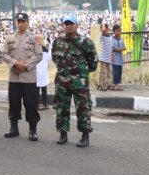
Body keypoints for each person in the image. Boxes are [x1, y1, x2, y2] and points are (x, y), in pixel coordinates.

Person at [52, 14, 98, 148]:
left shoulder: (85, 42)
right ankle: (63, 133)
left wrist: (80, 73)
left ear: (77, 25)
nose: (69, 26)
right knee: (62, 108)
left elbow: (93, 62)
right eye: (66, 24)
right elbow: (55, 59)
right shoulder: (57, 42)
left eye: (71, 23)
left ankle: (85, 136)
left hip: (79, 82)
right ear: (63, 26)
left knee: (83, 109)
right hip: (62, 81)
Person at [1, 12, 43, 141]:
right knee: (13, 104)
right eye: (18, 21)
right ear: (15, 22)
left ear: (28, 23)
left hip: (29, 77)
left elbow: (39, 55)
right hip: (14, 77)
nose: (20, 23)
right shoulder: (9, 38)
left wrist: (25, 66)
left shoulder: (35, 38)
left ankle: (32, 130)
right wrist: (15, 64)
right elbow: (4, 54)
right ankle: (14, 129)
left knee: (31, 104)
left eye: (23, 21)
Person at [97, 24, 114, 91]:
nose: (106, 30)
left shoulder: (110, 37)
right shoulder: (102, 37)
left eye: (107, 29)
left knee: (109, 72)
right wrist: (103, 27)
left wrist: (112, 56)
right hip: (103, 58)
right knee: (102, 72)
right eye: (105, 29)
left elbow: (111, 48)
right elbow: (103, 32)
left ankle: (108, 84)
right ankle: (101, 85)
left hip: (108, 58)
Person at [35, 39, 51, 110]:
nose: (38, 41)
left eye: (40, 39)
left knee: (44, 88)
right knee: (36, 89)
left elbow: (49, 58)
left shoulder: (45, 50)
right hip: (36, 71)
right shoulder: (33, 49)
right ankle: (37, 103)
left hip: (43, 71)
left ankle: (45, 103)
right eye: (37, 39)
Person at [111, 24, 126, 90]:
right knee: (115, 72)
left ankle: (118, 85)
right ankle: (115, 85)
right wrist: (118, 49)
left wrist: (121, 49)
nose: (119, 32)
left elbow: (124, 47)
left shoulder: (121, 39)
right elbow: (111, 48)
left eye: (120, 31)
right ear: (114, 32)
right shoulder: (111, 39)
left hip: (120, 58)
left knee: (119, 71)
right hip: (114, 59)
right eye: (117, 31)